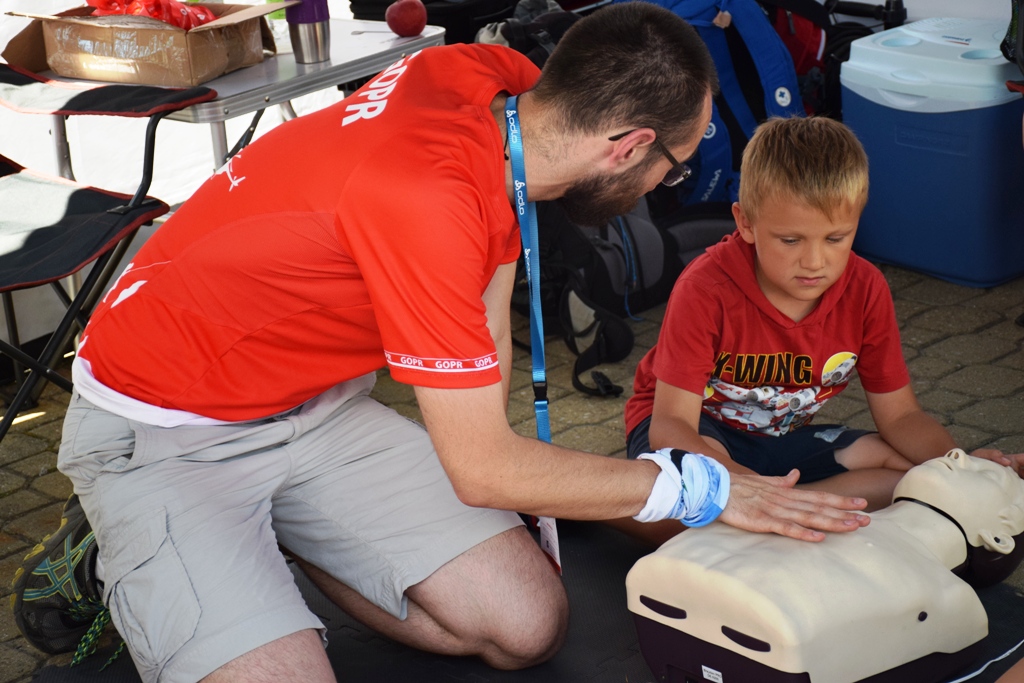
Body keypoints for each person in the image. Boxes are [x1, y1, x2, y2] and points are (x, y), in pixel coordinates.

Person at [10, 6, 872, 683]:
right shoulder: (426, 201)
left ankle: (286, 534)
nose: (663, 187)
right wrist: (694, 486)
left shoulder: (493, 81)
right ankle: (121, 540)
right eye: (672, 169)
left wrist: (512, 457)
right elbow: (482, 468)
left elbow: (488, 313)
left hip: (316, 405)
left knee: (526, 629)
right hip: (163, 430)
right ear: (628, 146)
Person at [620, 116, 1020, 546]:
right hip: (695, 432)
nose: (814, 262)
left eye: (836, 238)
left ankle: (786, 515)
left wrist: (958, 469)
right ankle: (608, 507)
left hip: (778, 441)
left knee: (913, 475)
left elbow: (901, 417)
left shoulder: (866, 289)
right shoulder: (705, 289)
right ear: (746, 223)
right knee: (702, 486)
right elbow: (670, 426)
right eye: (791, 240)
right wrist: (747, 489)